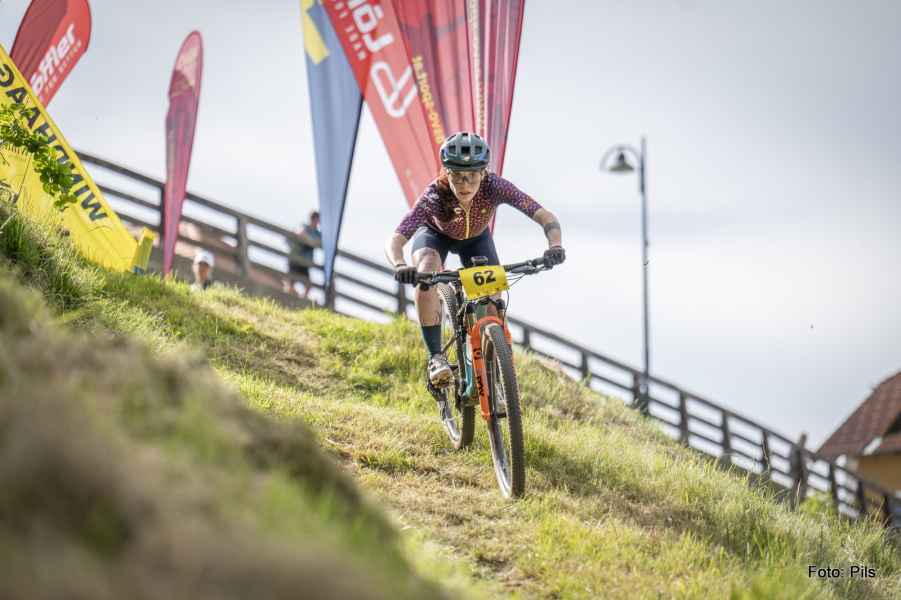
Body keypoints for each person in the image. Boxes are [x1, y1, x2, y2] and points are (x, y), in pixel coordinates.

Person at [384, 131, 566, 387]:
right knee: (426, 271)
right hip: (435, 237)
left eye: (471, 176)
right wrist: (400, 265)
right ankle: (436, 357)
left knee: (492, 303)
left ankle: (492, 364)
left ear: (483, 173)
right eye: (457, 176)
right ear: (446, 172)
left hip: (476, 240)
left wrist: (554, 246)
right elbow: (396, 239)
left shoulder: (495, 186)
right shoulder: (435, 195)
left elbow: (544, 216)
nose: (465, 184)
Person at [285, 211, 321, 299]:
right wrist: (309, 241)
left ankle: (300, 300)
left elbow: (317, 243)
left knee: (308, 285)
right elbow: (297, 235)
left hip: (305, 262)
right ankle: (289, 298)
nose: (317, 222)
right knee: (290, 283)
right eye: (317, 219)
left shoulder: (317, 234)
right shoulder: (303, 227)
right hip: (296, 259)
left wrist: (308, 240)